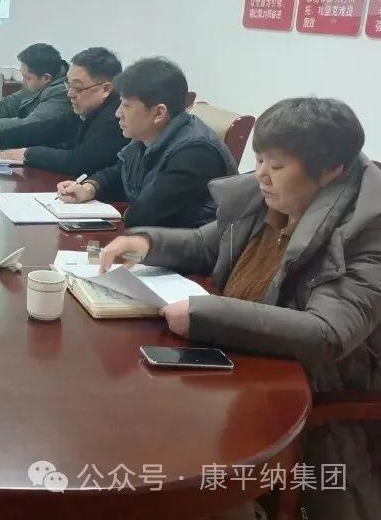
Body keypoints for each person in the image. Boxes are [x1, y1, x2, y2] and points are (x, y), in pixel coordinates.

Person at [100, 98, 381, 520]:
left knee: (179, 475)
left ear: (330, 172)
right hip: (239, 361)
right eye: (259, 159)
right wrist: (145, 243)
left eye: (277, 166)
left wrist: (206, 314)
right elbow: (206, 244)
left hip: (307, 393)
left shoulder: (366, 232)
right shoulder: (272, 200)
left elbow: (327, 333)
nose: (261, 174)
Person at [56, 57, 237, 228]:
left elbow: (145, 215)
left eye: (126, 106)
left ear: (159, 113)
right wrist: (89, 188)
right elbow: (120, 173)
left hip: (187, 247)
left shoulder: (195, 154)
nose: (118, 113)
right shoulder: (148, 138)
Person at [0, 47, 128, 177]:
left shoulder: (116, 118)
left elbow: (78, 162)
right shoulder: (88, 109)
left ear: (105, 89)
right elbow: (50, 127)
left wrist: (29, 153)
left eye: (77, 87)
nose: (70, 94)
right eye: (68, 85)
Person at [0, 42, 72, 133]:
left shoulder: (63, 92)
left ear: (46, 77)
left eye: (27, 78)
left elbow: (32, 124)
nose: (23, 81)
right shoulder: (37, 85)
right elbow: (8, 104)